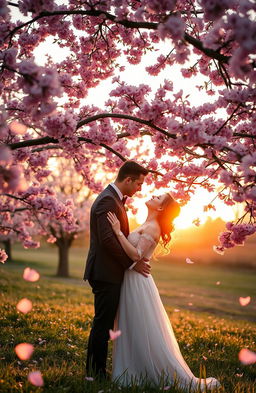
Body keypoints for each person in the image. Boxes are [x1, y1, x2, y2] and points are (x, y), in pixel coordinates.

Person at [107, 193, 220, 391]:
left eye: (158, 197)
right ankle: (131, 369)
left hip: (137, 283)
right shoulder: (146, 223)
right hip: (131, 279)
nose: (153, 195)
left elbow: (136, 255)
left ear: (160, 208)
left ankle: (140, 372)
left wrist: (117, 232)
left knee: (137, 325)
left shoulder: (152, 228)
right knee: (129, 324)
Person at [83, 160, 150, 379]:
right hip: (105, 272)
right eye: (139, 184)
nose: (140, 188)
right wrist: (132, 263)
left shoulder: (114, 200)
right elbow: (107, 241)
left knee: (104, 321)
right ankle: (95, 372)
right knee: (102, 323)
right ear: (128, 180)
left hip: (109, 271)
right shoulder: (107, 201)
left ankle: (98, 369)